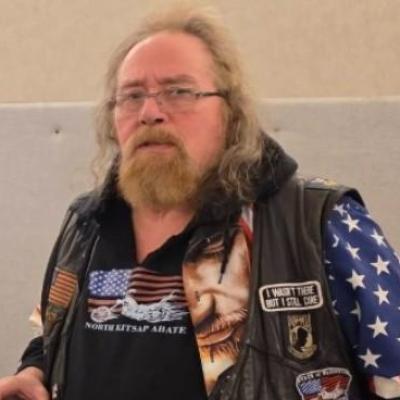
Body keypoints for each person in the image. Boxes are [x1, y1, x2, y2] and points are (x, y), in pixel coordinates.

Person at [0, 5, 399, 400]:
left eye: (178, 92)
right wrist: (33, 371)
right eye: (132, 96)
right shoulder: (87, 224)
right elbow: (52, 335)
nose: (150, 112)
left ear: (231, 113)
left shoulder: (316, 223)